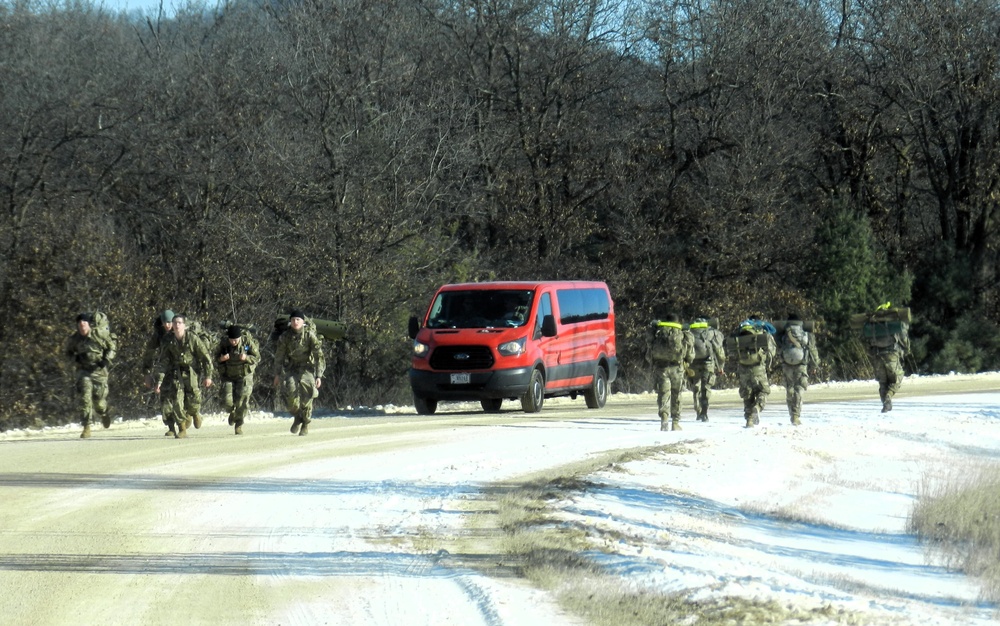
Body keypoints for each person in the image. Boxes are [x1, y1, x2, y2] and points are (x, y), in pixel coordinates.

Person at [154, 313, 213, 438]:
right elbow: (163, 361)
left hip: (191, 373)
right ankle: (182, 428)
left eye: (179, 323)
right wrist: (159, 381)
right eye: (174, 323)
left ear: (184, 325)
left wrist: (208, 376)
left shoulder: (192, 339)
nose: (176, 325)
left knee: (193, 400)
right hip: (176, 373)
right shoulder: (169, 341)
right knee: (176, 400)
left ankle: (194, 412)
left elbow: (205, 357)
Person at [273, 309, 325, 435]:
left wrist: (318, 375)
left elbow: (319, 356)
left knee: (308, 395)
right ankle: (297, 416)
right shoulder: (285, 337)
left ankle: (305, 423)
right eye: (293, 320)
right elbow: (279, 356)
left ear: (303, 322)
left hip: (307, 368)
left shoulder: (309, 335)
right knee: (290, 396)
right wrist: (277, 374)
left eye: (298, 320)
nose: (295, 322)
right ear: (290, 322)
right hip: (292, 368)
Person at [64, 312, 117, 438]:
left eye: (84, 324)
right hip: (84, 371)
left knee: (99, 400)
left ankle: (103, 413)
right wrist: (75, 359)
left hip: (99, 371)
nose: (82, 327)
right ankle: (86, 426)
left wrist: (106, 360)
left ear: (88, 325)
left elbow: (112, 347)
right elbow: (68, 353)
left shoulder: (99, 334)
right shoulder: (75, 339)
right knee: (85, 396)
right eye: (79, 325)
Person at [647, 313, 694, 431]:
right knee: (676, 394)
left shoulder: (659, 331)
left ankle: (664, 417)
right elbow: (690, 350)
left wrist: (653, 327)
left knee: (663, 393)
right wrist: (688, 361)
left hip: (661, 367)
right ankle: (675, 422)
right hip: (677, 368)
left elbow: (649, 344)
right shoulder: (681, 332)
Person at [863, 302, 910, 412]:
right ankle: (888, 398)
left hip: (877, 356)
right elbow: (904, 340)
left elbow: (866, 343)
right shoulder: (893, 324)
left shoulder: (872, 324)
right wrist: (906, 350)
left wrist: (871, 353)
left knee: (883, 382)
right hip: (891, 354)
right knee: (896, 379)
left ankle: (885, 403)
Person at [776, 313, 820, 426]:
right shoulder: (806, 333)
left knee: (789, 388)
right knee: (799, 387)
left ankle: (792, 414)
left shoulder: (784, 333)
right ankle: (796, 415)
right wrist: (815, 365)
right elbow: (812, 350)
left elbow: (778, 347)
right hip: (801, 364)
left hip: (787, 364)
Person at [733, 316, 777, 428]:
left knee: (747, 395)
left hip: (743, 368)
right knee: (764, 390)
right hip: (758, 368)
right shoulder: (761, 331)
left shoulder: (739, 332)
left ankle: (749, 421)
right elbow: (772, 351)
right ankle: (757, 407)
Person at [216, 324, 260, 435]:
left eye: (236, 340)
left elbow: (257, 358)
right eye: (231, 340)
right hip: (228, 375)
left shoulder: (247, 342)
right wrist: (221, 359)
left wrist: (247, 358)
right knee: (226, 400)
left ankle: (239, 423)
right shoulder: (224, 343)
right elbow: (214, 357)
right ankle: (232, 412)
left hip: (244, 374)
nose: (233, 342)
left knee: (242, 400)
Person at [686, 317, 726, 422]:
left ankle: (698, 410)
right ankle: (704, 412)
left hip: (693, 363)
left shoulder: (689, 332)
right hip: (708, 364)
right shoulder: (712, 333)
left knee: (696, 386)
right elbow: (720, 353)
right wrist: (721, 367)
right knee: (706, 387)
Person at [141, 310, 175, 389]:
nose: (167, 325)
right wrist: (147, 373)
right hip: (166, 369)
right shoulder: (160, 333)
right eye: (164, 322)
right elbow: (150, 352)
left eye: (169, 322)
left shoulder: (181, 331)